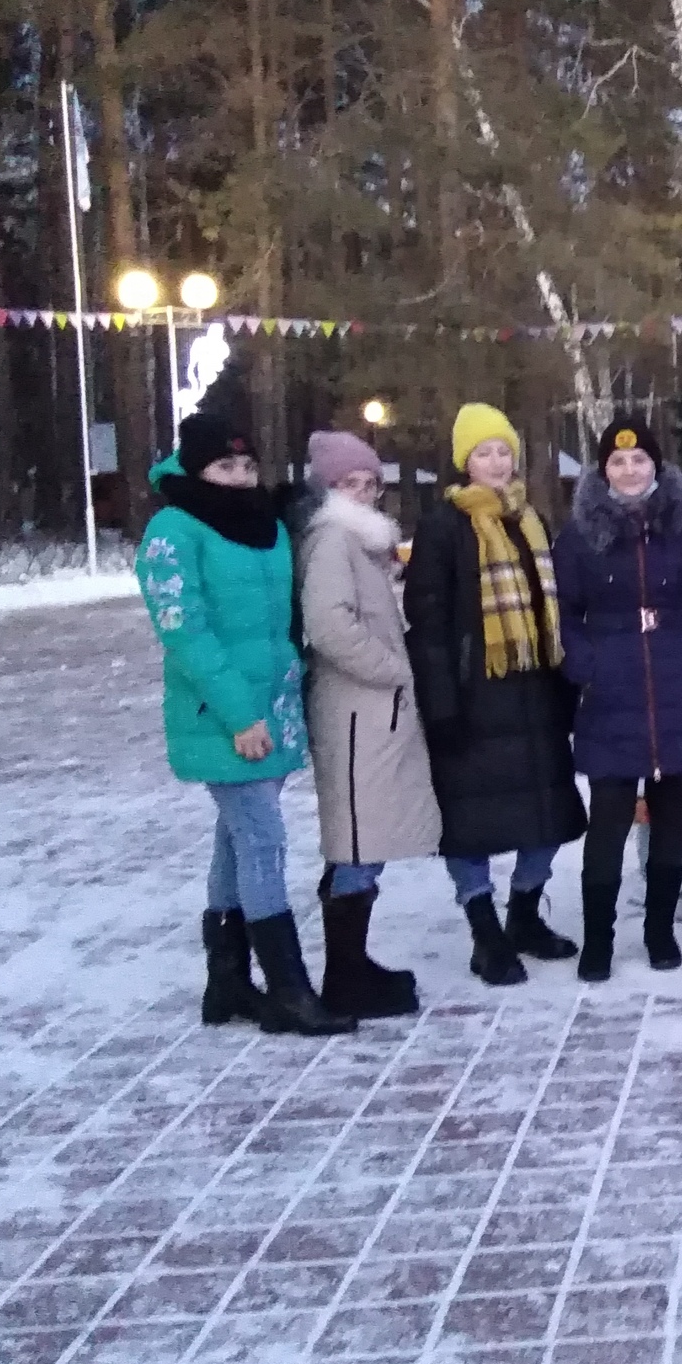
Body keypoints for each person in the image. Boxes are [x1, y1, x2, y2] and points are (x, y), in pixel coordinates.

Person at [137, 410, 349, 1037]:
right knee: (262, 839)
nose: (238, 476)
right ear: (196, 468)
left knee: (236, 838)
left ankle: (226, 980)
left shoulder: (266, 525)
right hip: (225, 715)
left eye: (247, 465)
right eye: (224, 466)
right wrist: (239, 715)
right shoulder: (173, 531)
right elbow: (185, 632)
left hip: (274, 707)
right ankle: (287, 989)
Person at [404, 403, 587, 985]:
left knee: (550, 817)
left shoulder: (529, 519)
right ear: (465, 461)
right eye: (483, 452)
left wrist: (564, 685)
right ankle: (484, 932)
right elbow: (428, 624)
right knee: (470, 822)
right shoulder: (443, 526)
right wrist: (441, 705)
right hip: (473, 696)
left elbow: (551, 609)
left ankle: (524, 915)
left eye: (503, 451)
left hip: (534, 692)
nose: (496, 461)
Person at [554, 417, 682, 977]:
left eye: (639, 460)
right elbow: (565, 612)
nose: (629, 470)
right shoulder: (579, 535)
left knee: (671, 817)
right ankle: (598, 940)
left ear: (656, 465)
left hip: (678, 685)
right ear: (604, 471)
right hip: (612, 691)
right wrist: (585, 665)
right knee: (609, 820)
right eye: (618, 462)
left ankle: (660, 932)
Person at [295, 429, 438, 1019]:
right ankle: (345, 973)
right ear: (327, 487)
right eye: (348, 483)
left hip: (371, 710)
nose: (362, 492)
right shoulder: (333, 539)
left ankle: (352, 964)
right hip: (356, 710)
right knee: (356, 840)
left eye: (370, 482)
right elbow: (330, 625)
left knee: (364, 839)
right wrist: (392, 669)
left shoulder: (360, 541)